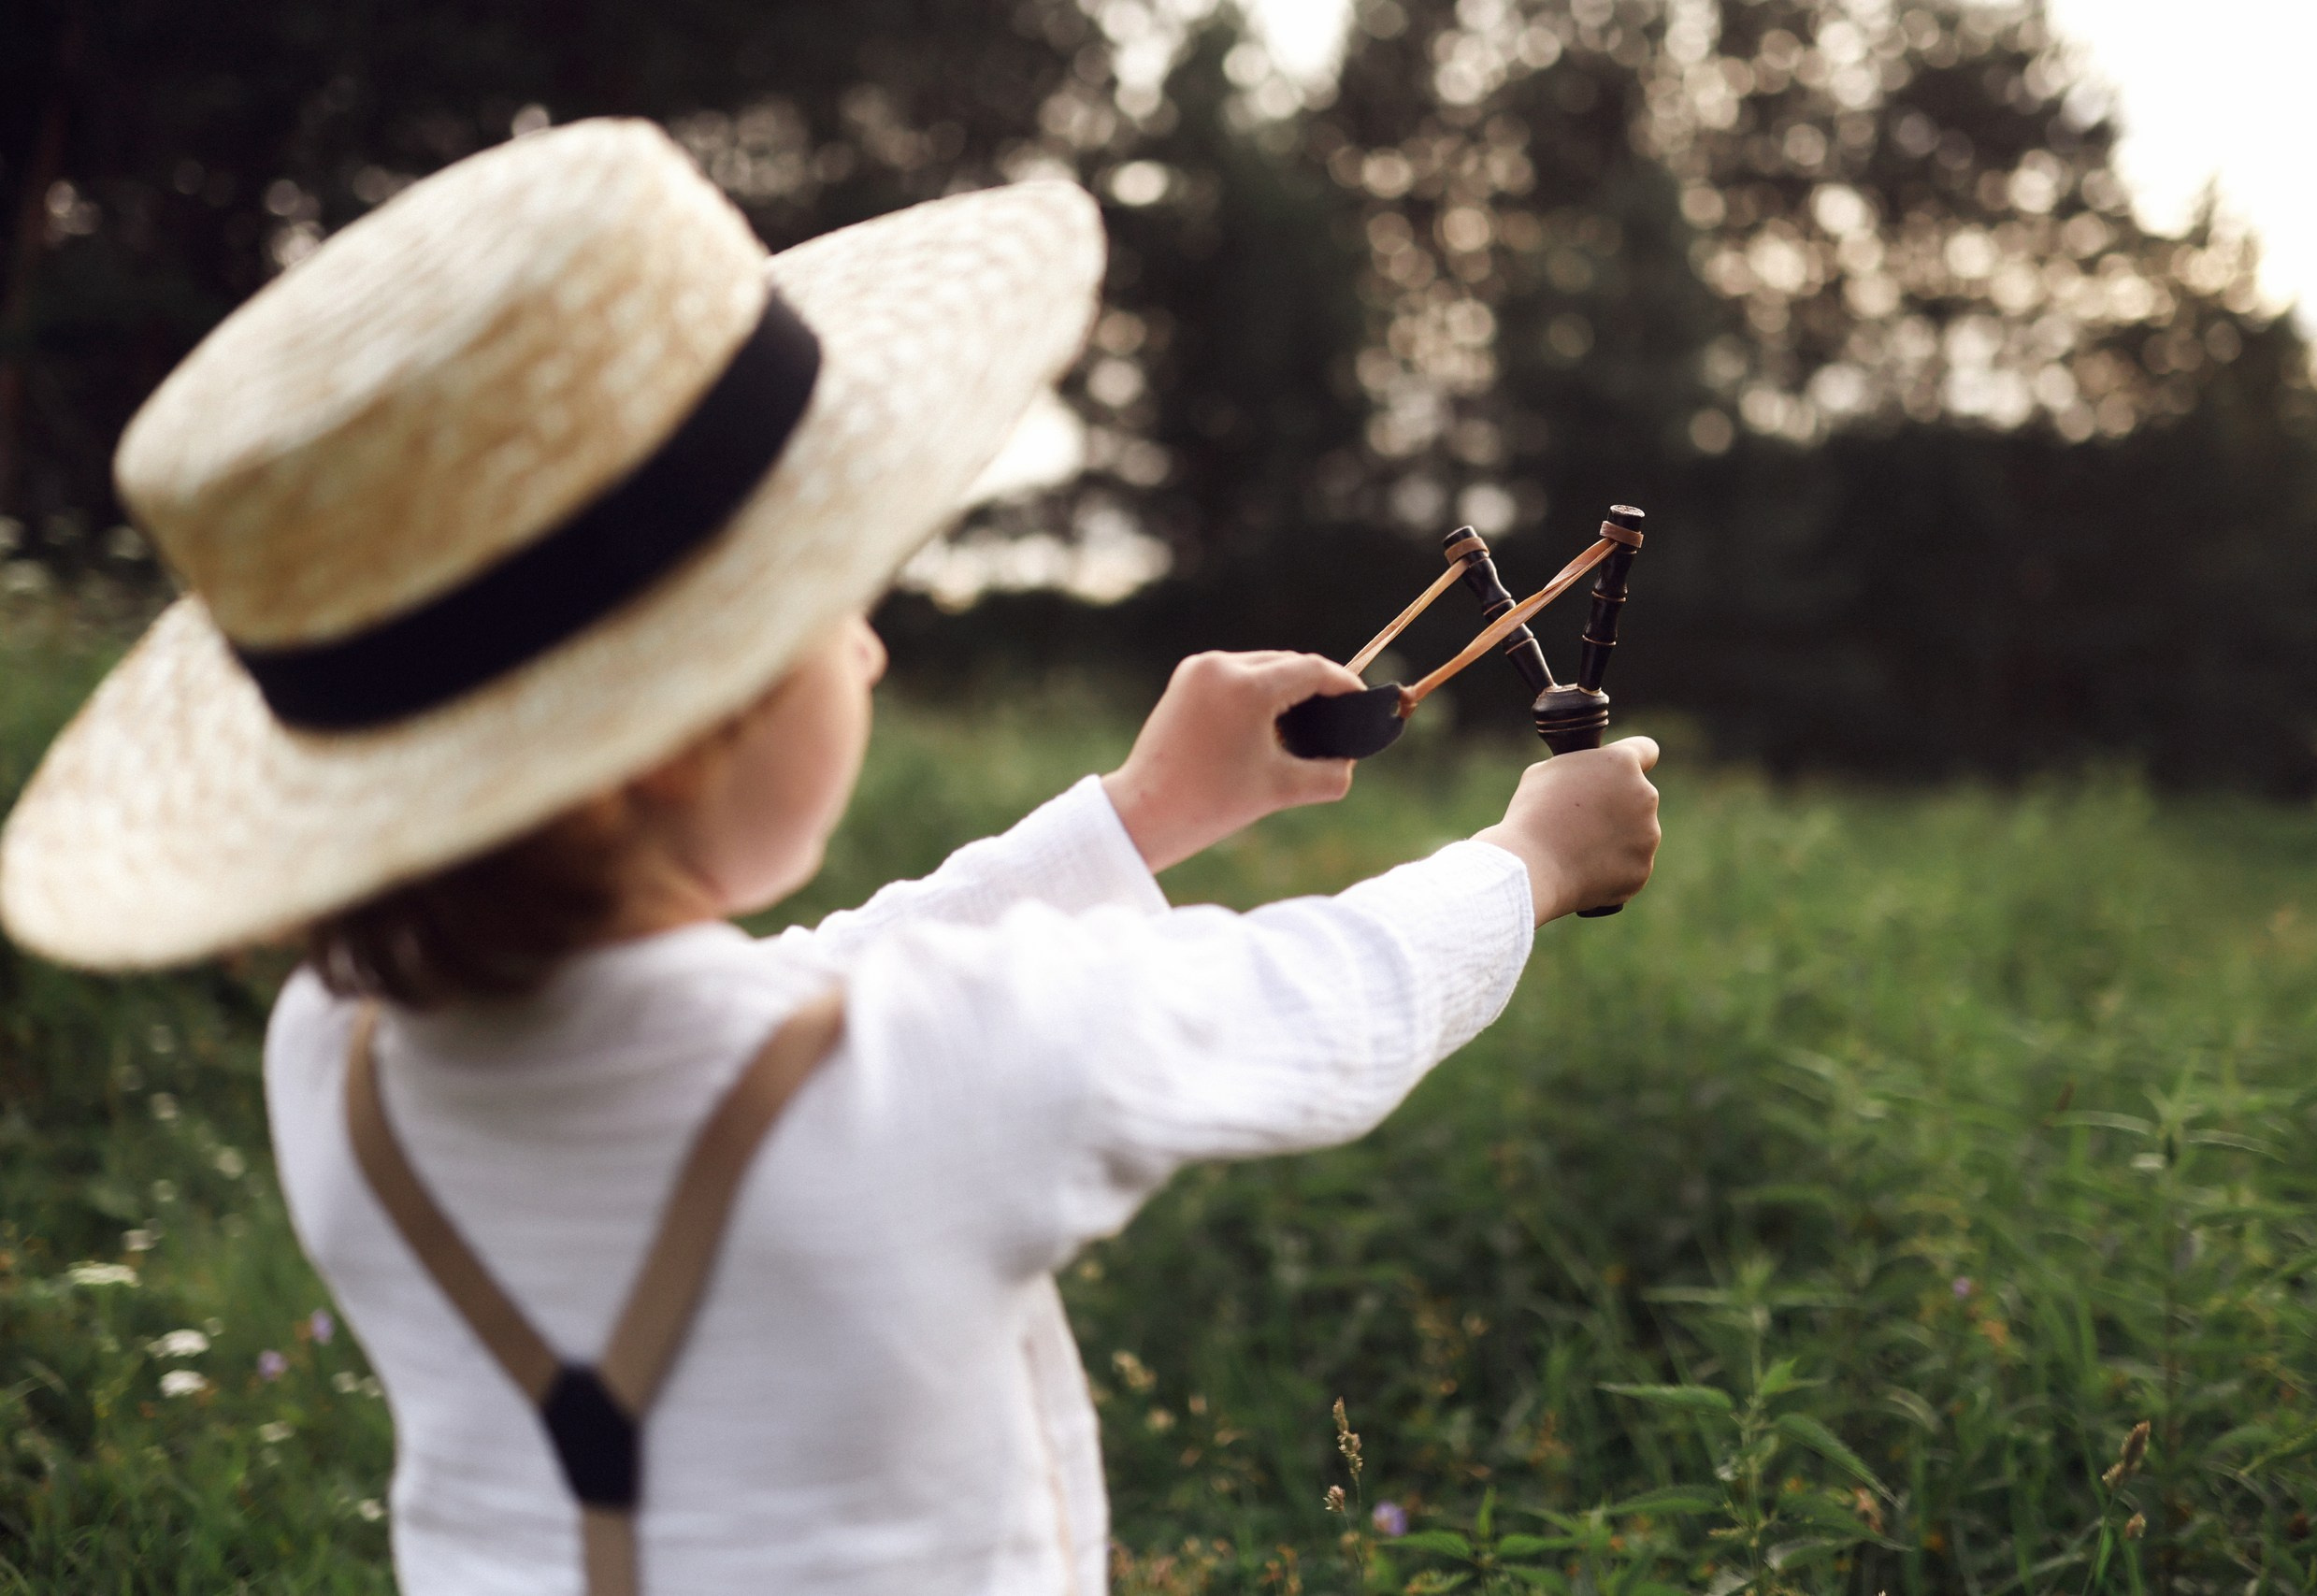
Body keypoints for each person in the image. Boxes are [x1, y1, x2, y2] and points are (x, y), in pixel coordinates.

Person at [0, 120, 1660, 1595]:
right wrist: (1527, 861)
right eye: (825, 605)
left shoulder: (337, 1045)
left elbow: (790, 1013)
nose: (867, 648)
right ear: (683, 731)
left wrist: (1144, 815)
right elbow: (1310, 1001)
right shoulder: (938, 1075)